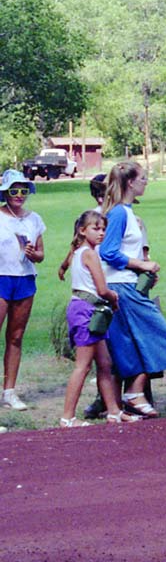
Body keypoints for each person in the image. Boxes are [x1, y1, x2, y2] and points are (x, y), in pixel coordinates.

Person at [99, 162, 166, 417]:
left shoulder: (127, 213)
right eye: (143, 178)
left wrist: (143, 271)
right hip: (122, 286)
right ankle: (134, 391)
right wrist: (141, 263)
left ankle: (134, 392)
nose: (146, 182)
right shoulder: (119, 214)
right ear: (130, 182)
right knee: (156, 334)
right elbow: (108, 252)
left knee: (133, 341)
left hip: (129, 283)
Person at [57, 211, 140, 426]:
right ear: (82, 230)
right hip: (87, 310)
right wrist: (114, 297)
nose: (101, 233)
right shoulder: (90, 254)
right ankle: (67, 417)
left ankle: (113, 411)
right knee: (83, 366)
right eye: (96, 228)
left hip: (90, 310)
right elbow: (102, 289)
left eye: (103, 229)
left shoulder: (78, 251)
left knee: (104, 363)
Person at [0, 169, 45, 411]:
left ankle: (9, 392)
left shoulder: (34, 219)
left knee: (16, 337)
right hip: (1, 277)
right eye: (14, 190)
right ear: (5, 192)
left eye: (23, 190)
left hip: (25, 279)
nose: (19, 195)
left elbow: (40, 254)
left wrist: (33, 254)